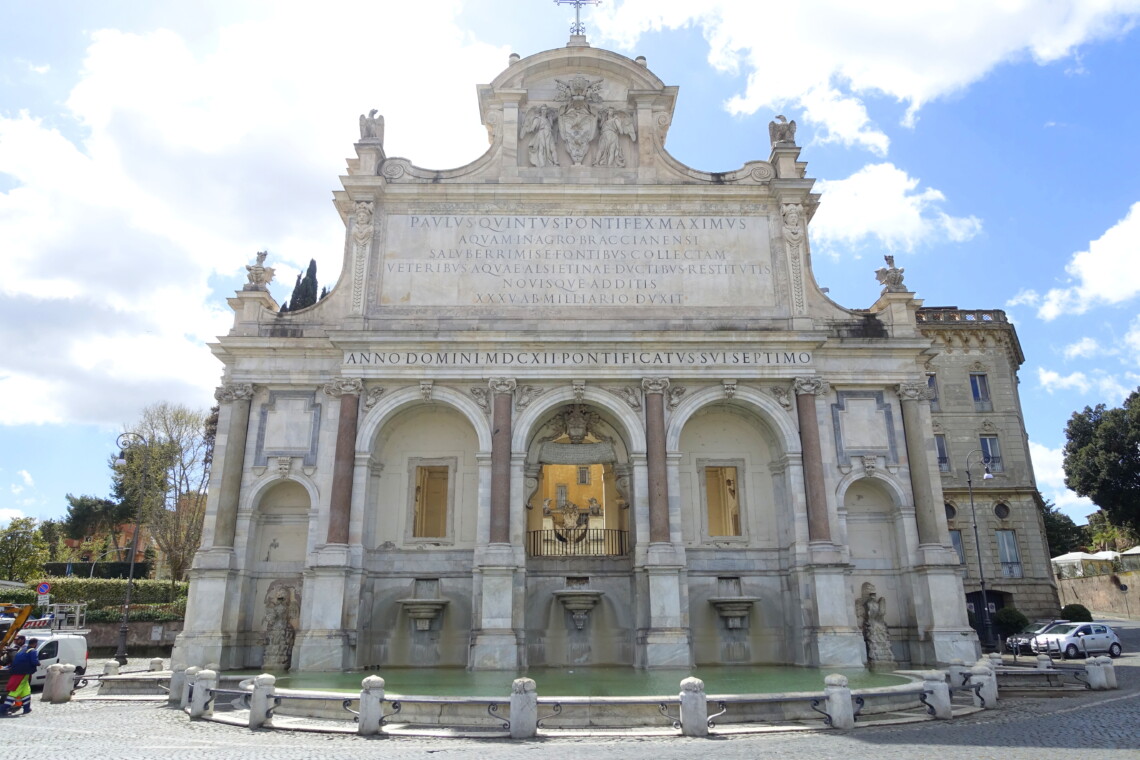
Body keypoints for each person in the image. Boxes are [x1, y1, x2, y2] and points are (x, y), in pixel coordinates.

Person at [1, 637, 39, 715]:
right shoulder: (32, 651)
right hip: (23, 674)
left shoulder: (22, 650)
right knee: (15, 691)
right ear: (35, 644)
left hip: (18, 672)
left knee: (26, 691)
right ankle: (2, 709)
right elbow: (34, 662)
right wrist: (38, 663)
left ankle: (26, 708)